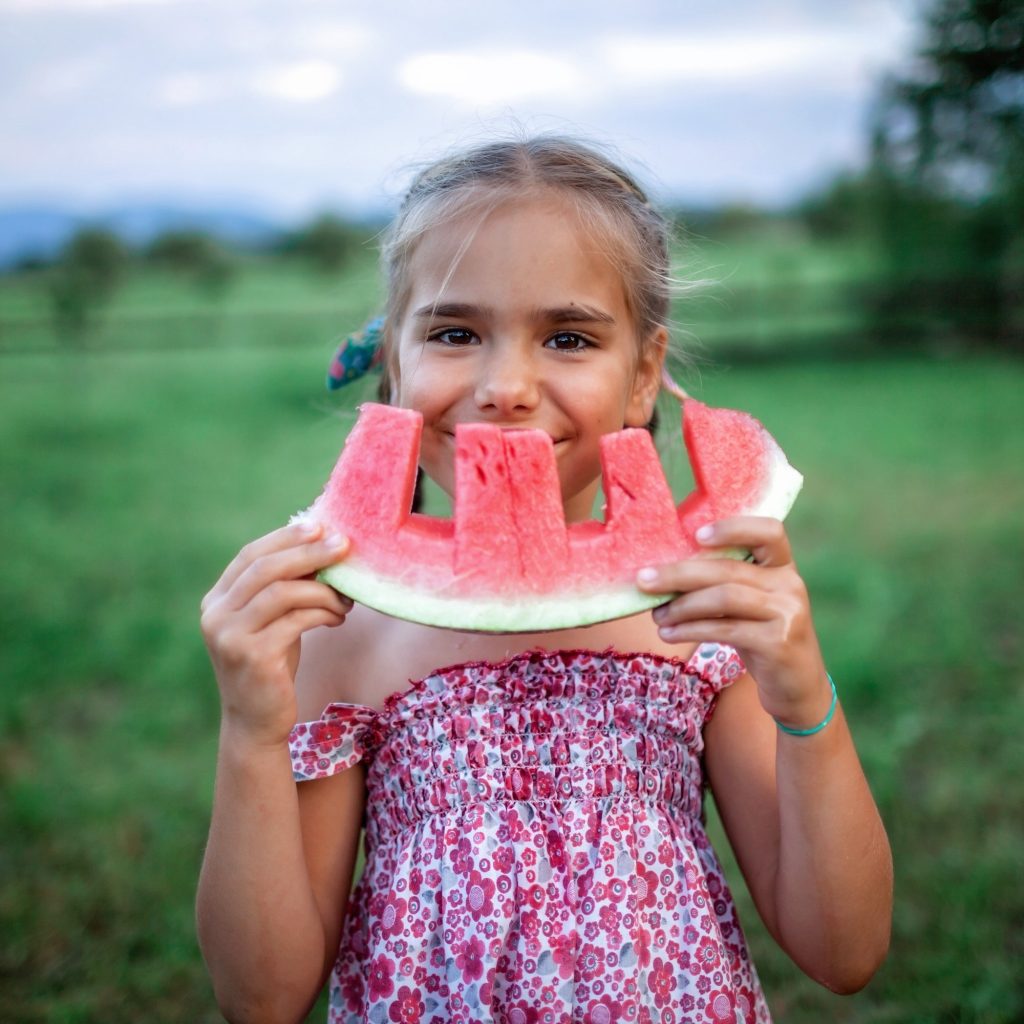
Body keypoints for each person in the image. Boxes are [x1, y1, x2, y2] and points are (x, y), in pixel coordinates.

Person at [196, 136, 893, 1024]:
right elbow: (263, 997)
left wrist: (804, 703)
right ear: (397, 367)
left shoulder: (701, 623)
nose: (508, 386)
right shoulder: (338, 638)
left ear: (644, 375)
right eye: (455, 333)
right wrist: (252, 732)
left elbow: (846, 950)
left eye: (568, 337)